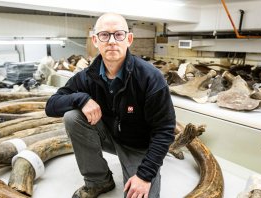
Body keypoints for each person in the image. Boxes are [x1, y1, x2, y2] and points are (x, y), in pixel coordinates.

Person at [45, 13, 176, 198]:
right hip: (109, 136)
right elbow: (51, 106)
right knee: (72, 117)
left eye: (119, 34)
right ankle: (99, 181)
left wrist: (144, 176)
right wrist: (81, 99)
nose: (112, 41)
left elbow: (165, 130)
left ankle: (139, 171)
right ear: (95, 40)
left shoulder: (150, 77)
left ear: (129, 39)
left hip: (139, 146)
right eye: (105, 35)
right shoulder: (87, 76)